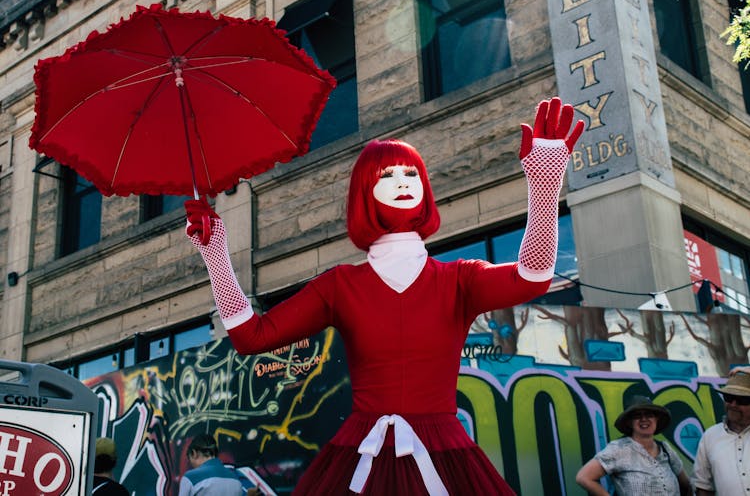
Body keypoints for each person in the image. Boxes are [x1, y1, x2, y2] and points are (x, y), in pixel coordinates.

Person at [185, 97, 584, 495]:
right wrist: (216, 253)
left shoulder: (457, 280)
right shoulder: (340, 285)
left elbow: (532, 278)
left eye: (411, 173)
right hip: (362, 454)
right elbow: (251, 336)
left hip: (441, 453)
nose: (403, 182)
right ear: (364, 191)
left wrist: (544, 185)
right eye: (387, 175)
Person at [575, 395, 692, 496]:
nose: (644, 419)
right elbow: (583, 477)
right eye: (637, 416)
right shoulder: (619, 449)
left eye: (649, 414)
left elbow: (687, 485)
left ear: (656, 419)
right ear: (629, 422)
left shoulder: (666, 449)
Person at [692, 371, 750, 495]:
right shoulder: (710, 436)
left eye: (741, 399)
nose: (733, 405)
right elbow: (703, 486)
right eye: (728, 398)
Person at [178, 434, 245, 496]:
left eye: (190, 461)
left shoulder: (190, 477)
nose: (192, 466)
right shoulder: (236, 480)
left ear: (194, 453)